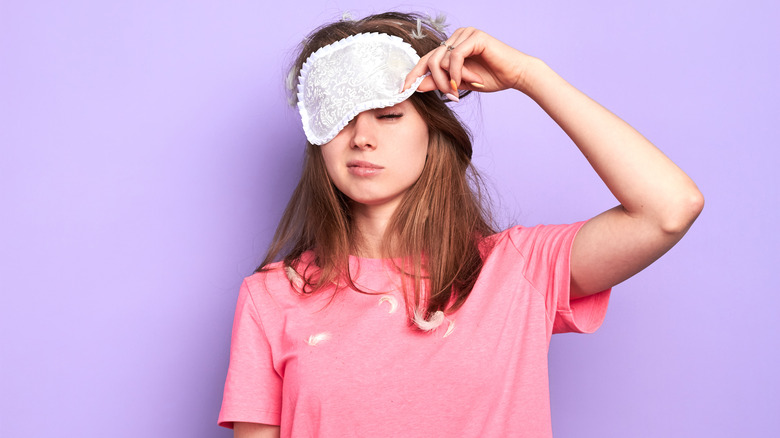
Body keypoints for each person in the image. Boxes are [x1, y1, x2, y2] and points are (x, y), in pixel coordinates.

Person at [218, 11, 703, 438]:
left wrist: (528, 75)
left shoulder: (518, 271)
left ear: (433, 132)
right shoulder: (272, 298)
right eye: (341, 118)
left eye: (388, 115)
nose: (362, 138)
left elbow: (670, 208)